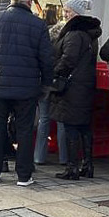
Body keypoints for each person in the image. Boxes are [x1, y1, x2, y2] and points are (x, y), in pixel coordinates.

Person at [0, 0, 54, 186]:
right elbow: (46, 59)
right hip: (27, 88)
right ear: (29, 2)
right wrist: (45, 85)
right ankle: (24, 175)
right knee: (25, 130)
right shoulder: (38, 25)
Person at [50, 0, 101, 180]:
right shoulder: (89, 34)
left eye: (68, 11)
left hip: (72, 87)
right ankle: (87, 165)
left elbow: (68, 60)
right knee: (84, 127)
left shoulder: (74, 33)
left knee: (71, 126)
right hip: (85, 85)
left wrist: (54, 72)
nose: (65, 14)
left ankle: (72, 168)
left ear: (77, 14)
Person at [34, 12, 67, 166]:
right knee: (60, 120)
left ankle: (39, 156)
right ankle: (64, 157)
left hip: (43, 81)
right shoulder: (65, 42)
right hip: (58, 83)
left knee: (44, 118)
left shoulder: (45, 40)